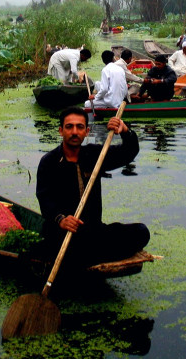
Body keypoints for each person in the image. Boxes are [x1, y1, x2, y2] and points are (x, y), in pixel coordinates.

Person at [36, 106, 150, 267]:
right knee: (65, 246)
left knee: (141, 232)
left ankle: (85, 257)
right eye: (69, 127)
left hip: (93, 232)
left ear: (86, 131)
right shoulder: (49, 162)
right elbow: (44, 198)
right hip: (62, 233)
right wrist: (61, 219)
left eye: (80, 127)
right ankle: (88, 256)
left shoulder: (95, 155)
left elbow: (128, 152)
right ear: (61, 131)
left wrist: (125, 131)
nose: (74, 132)